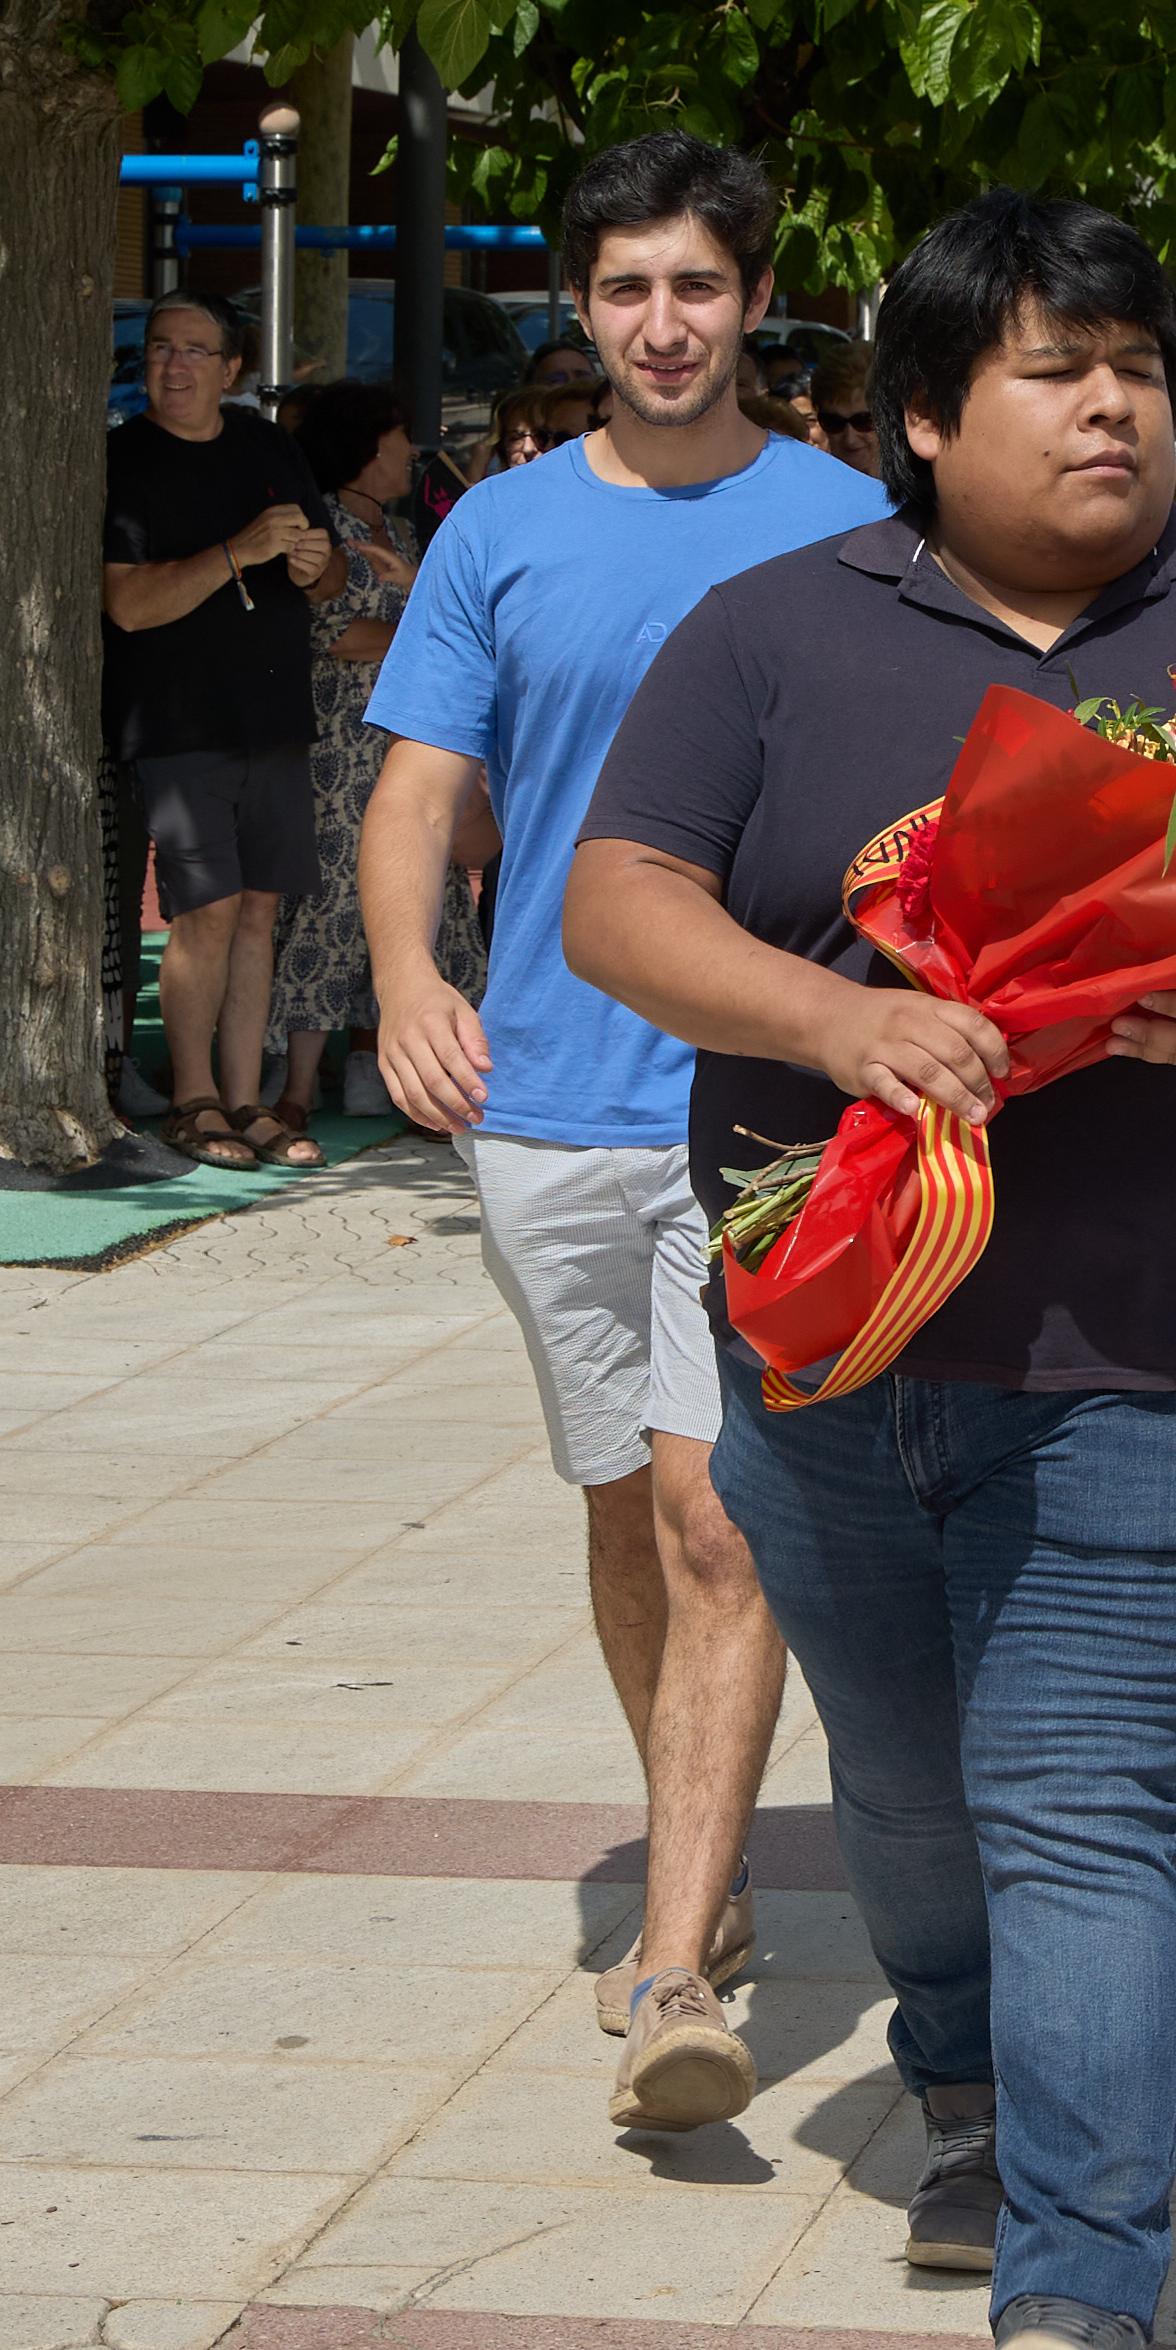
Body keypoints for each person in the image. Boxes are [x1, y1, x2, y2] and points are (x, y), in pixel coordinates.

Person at [564, 187, 1176, 2350]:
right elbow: (616, 900)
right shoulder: (774, 632)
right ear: (916, 415)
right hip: (837, 1338)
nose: (1110, 405)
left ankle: (1075, 2290)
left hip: (1165, 1348)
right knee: (900, 1776)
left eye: (1134, 367)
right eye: (1053, 368)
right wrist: (841, 1019)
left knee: (1078, 1793)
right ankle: (961, 2058)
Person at [364, 130, 877, 2133]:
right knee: (621, 1511)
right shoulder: (499, 530)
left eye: (699, 285)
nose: (665, 323)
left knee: (715, 1512)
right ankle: (710, 1849)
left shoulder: (849, 524)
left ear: (754, 300)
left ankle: (674, 1965)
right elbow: (420, 784)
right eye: (627, 289)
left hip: (756, 1103)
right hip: (545, 1102)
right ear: (580, 308)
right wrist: (413, 976)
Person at [102, 294, 335, 1166]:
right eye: (161, 348)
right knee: (205, 912)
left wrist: (316, 564)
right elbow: (127, 603)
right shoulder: (126, 457)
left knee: (257, 915)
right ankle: (191, 1096)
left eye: (195, 351)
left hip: (274, 717)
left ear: (231, 369)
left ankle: (246, 1102)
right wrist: (238, 551)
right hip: (178, 721)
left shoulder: (268, 444)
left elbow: (328, 571)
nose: (174, 366)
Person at [261, 377, 426, 1132]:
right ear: (364, 447)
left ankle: (376, 1062)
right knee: (328, 904)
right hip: (340, 747)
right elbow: (329, 639)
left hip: (405, 743)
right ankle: (296, 1085)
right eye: (398, 436)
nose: (412, 451)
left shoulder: (406, 534)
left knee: (414, 900)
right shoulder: (320, 528)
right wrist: (419, 646)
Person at [808, 338, 881, 486]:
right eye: (834, 423)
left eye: (863, 421)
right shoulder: (814, 487)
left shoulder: (924, 492)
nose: (850, 439)